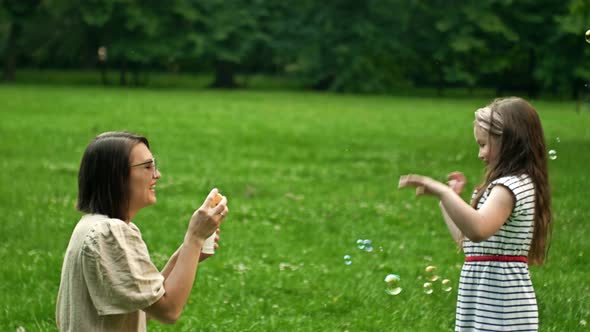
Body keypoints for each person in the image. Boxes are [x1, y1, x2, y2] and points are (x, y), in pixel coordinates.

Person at [398, 97, 552, 331]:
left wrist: (441, 190)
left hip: (500, 299)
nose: (480, 154)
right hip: (483, 294)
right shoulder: (506, 184)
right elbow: (467, 238)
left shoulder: (509, 187)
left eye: (483, 144)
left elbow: (478, 230)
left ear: (510, 142)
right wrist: (447, 200)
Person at [56, 131, 229, 331]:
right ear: (117, 176)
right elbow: (168, 310)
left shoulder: (95, 227)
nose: (157, 174)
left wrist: (186, 255)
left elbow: (143, 306)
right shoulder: (108, 233)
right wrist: (195, 238)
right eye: (147, 167)